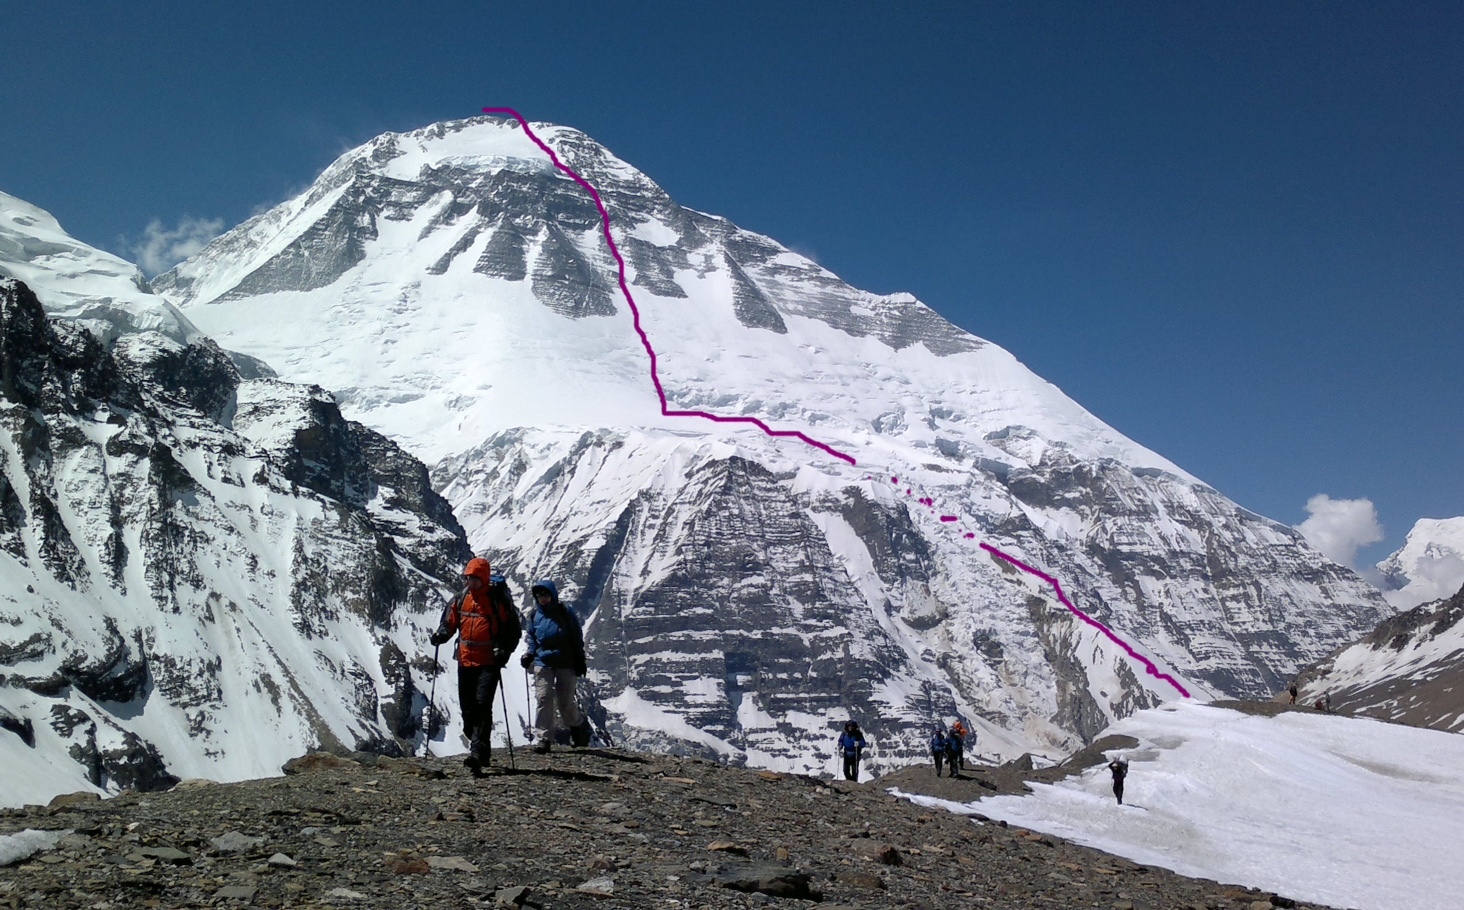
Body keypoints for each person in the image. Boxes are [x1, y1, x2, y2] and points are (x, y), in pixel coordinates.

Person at [430, 557, 521, 773]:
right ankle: (481, 747)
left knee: (481, 705)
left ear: (483, 579)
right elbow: (449, 622)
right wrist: (441, 635)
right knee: (468, 709)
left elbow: (513, 631)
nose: (471, 583)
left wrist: (503, 651)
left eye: (474, 579)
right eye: (468, 578)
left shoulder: (496, 601)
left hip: (488, 662)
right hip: (465, 661)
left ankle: (477, 753)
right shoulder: (461, 599)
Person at [520, 580, 590, 753]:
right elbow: (532, 637)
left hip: (566, 662)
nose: (542, 598)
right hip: (543, 662)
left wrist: (580, 659)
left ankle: (577, 725)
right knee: (544, 697)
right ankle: (544, 738)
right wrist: (530, 653)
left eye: (545, 594)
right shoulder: (535, 615)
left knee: (565, 703)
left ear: (552, 595)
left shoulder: (565, 613)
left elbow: (576, 636)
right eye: (539, 595)